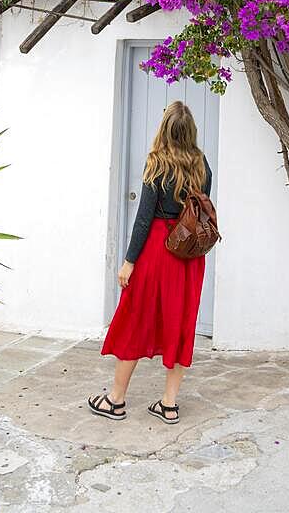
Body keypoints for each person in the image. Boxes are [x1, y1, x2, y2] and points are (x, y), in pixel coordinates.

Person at [88, 100, 213, 424]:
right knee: (181, 325)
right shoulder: (203, 166)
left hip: (158, 252)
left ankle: (115, 400)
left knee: (135, 318)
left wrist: (129, 262)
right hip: (189, 256)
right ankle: (169, 404)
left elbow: (144, 220)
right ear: (190, 132)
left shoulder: (157, 164)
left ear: (165, 130)